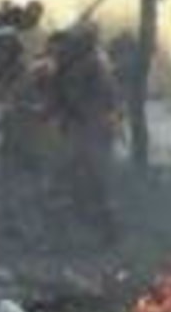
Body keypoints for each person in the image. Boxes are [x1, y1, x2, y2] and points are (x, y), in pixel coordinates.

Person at [47, 22, 118, 237]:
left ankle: (100, 229)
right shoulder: (88, 62)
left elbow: (73, 96)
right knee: (84, 180)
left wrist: (57, 109)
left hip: (87, 128)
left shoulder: (88, 65)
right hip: (86, 127)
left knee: (84, 179)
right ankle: (92, 226)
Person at [0, 28, 53, 244]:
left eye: (3, 49)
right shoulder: (5, 72)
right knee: (6, 182)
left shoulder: (28, 73)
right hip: (11, 135)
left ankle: (38, 234)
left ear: (13, 49)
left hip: (31, 137)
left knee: (32, 187)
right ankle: (9, 226)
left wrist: (24, 107)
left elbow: (45, 105)